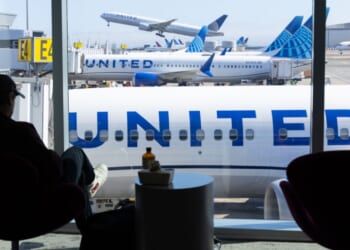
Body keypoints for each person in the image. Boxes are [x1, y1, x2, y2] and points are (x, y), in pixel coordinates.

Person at [0, 74, 108, 232]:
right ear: (10, 98)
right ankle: (90, 182)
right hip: (34, 212)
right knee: (75, 153)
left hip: (3, 219)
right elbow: (53, 172)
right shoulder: (22, 131)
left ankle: (87, 185)